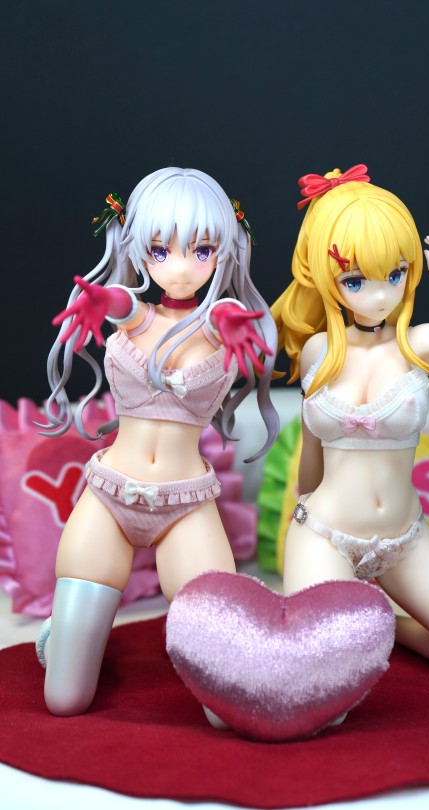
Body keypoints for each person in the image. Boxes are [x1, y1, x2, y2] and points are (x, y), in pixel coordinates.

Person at [272, 163, 429, 689]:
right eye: (355, 281)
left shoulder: (420, 343)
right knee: (321, 685)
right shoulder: (319, 350)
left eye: (394, 275)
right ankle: (352, 624)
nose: (380, 296)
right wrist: (302, 522)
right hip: (323, 535)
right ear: (326, 278)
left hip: (404, 539)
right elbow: (311, 451)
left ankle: (383, 625)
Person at [36, 166, 279, 716]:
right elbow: (121, 304)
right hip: (108, 498)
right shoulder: (135, 315)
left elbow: (225, 314)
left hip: (185, 507)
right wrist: (104, 301)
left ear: (225, 250)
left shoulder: (220, 323)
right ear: (137, 248)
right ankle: (65, 635)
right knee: (65, 700)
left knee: (226, 710)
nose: (181, 267)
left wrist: (236, 320)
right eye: (160, 250)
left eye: (202, 250)